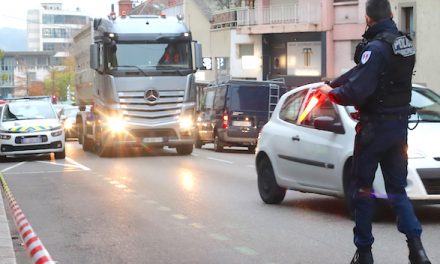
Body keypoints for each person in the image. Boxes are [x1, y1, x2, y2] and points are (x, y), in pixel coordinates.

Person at [318, 0, 431, 263]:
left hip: (374, 129)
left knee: (363, 189)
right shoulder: (403, 45)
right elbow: (361, 71)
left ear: (367, 19)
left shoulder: (376, 49)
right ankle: (417, 250)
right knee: (397, 190)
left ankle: (365, 253)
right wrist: (333, 82)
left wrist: (331, 93)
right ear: (391, 14)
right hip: (399, 128)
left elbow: (358, 89)